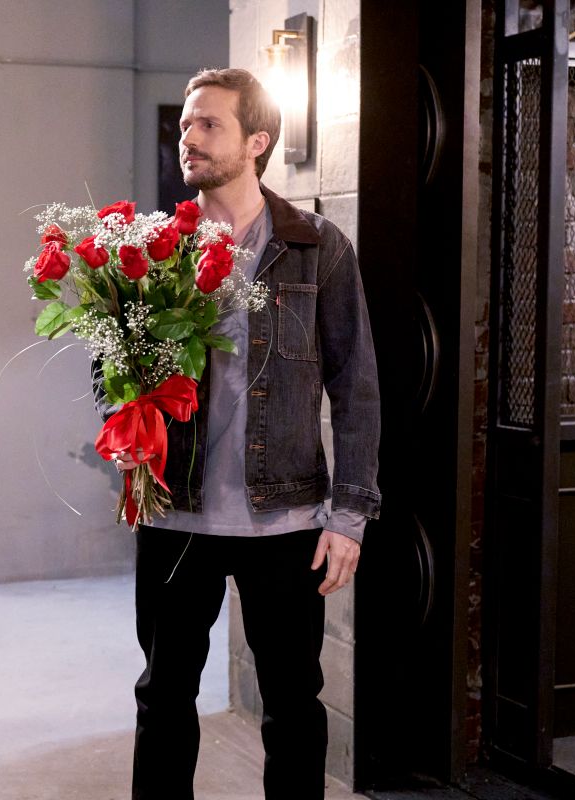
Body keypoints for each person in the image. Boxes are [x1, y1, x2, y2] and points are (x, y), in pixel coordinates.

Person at [113, 68, 381, 799]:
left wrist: (349, 517)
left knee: (293, 704)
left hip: (285, 518)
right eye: (185, 125)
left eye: (209, 124)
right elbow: (116, 374)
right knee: (163, 697)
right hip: (176, 515)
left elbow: (356, 386)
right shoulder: (152, 249)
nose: (189, 137)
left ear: (256, 142)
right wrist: (127, 442)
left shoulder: (317, 247)